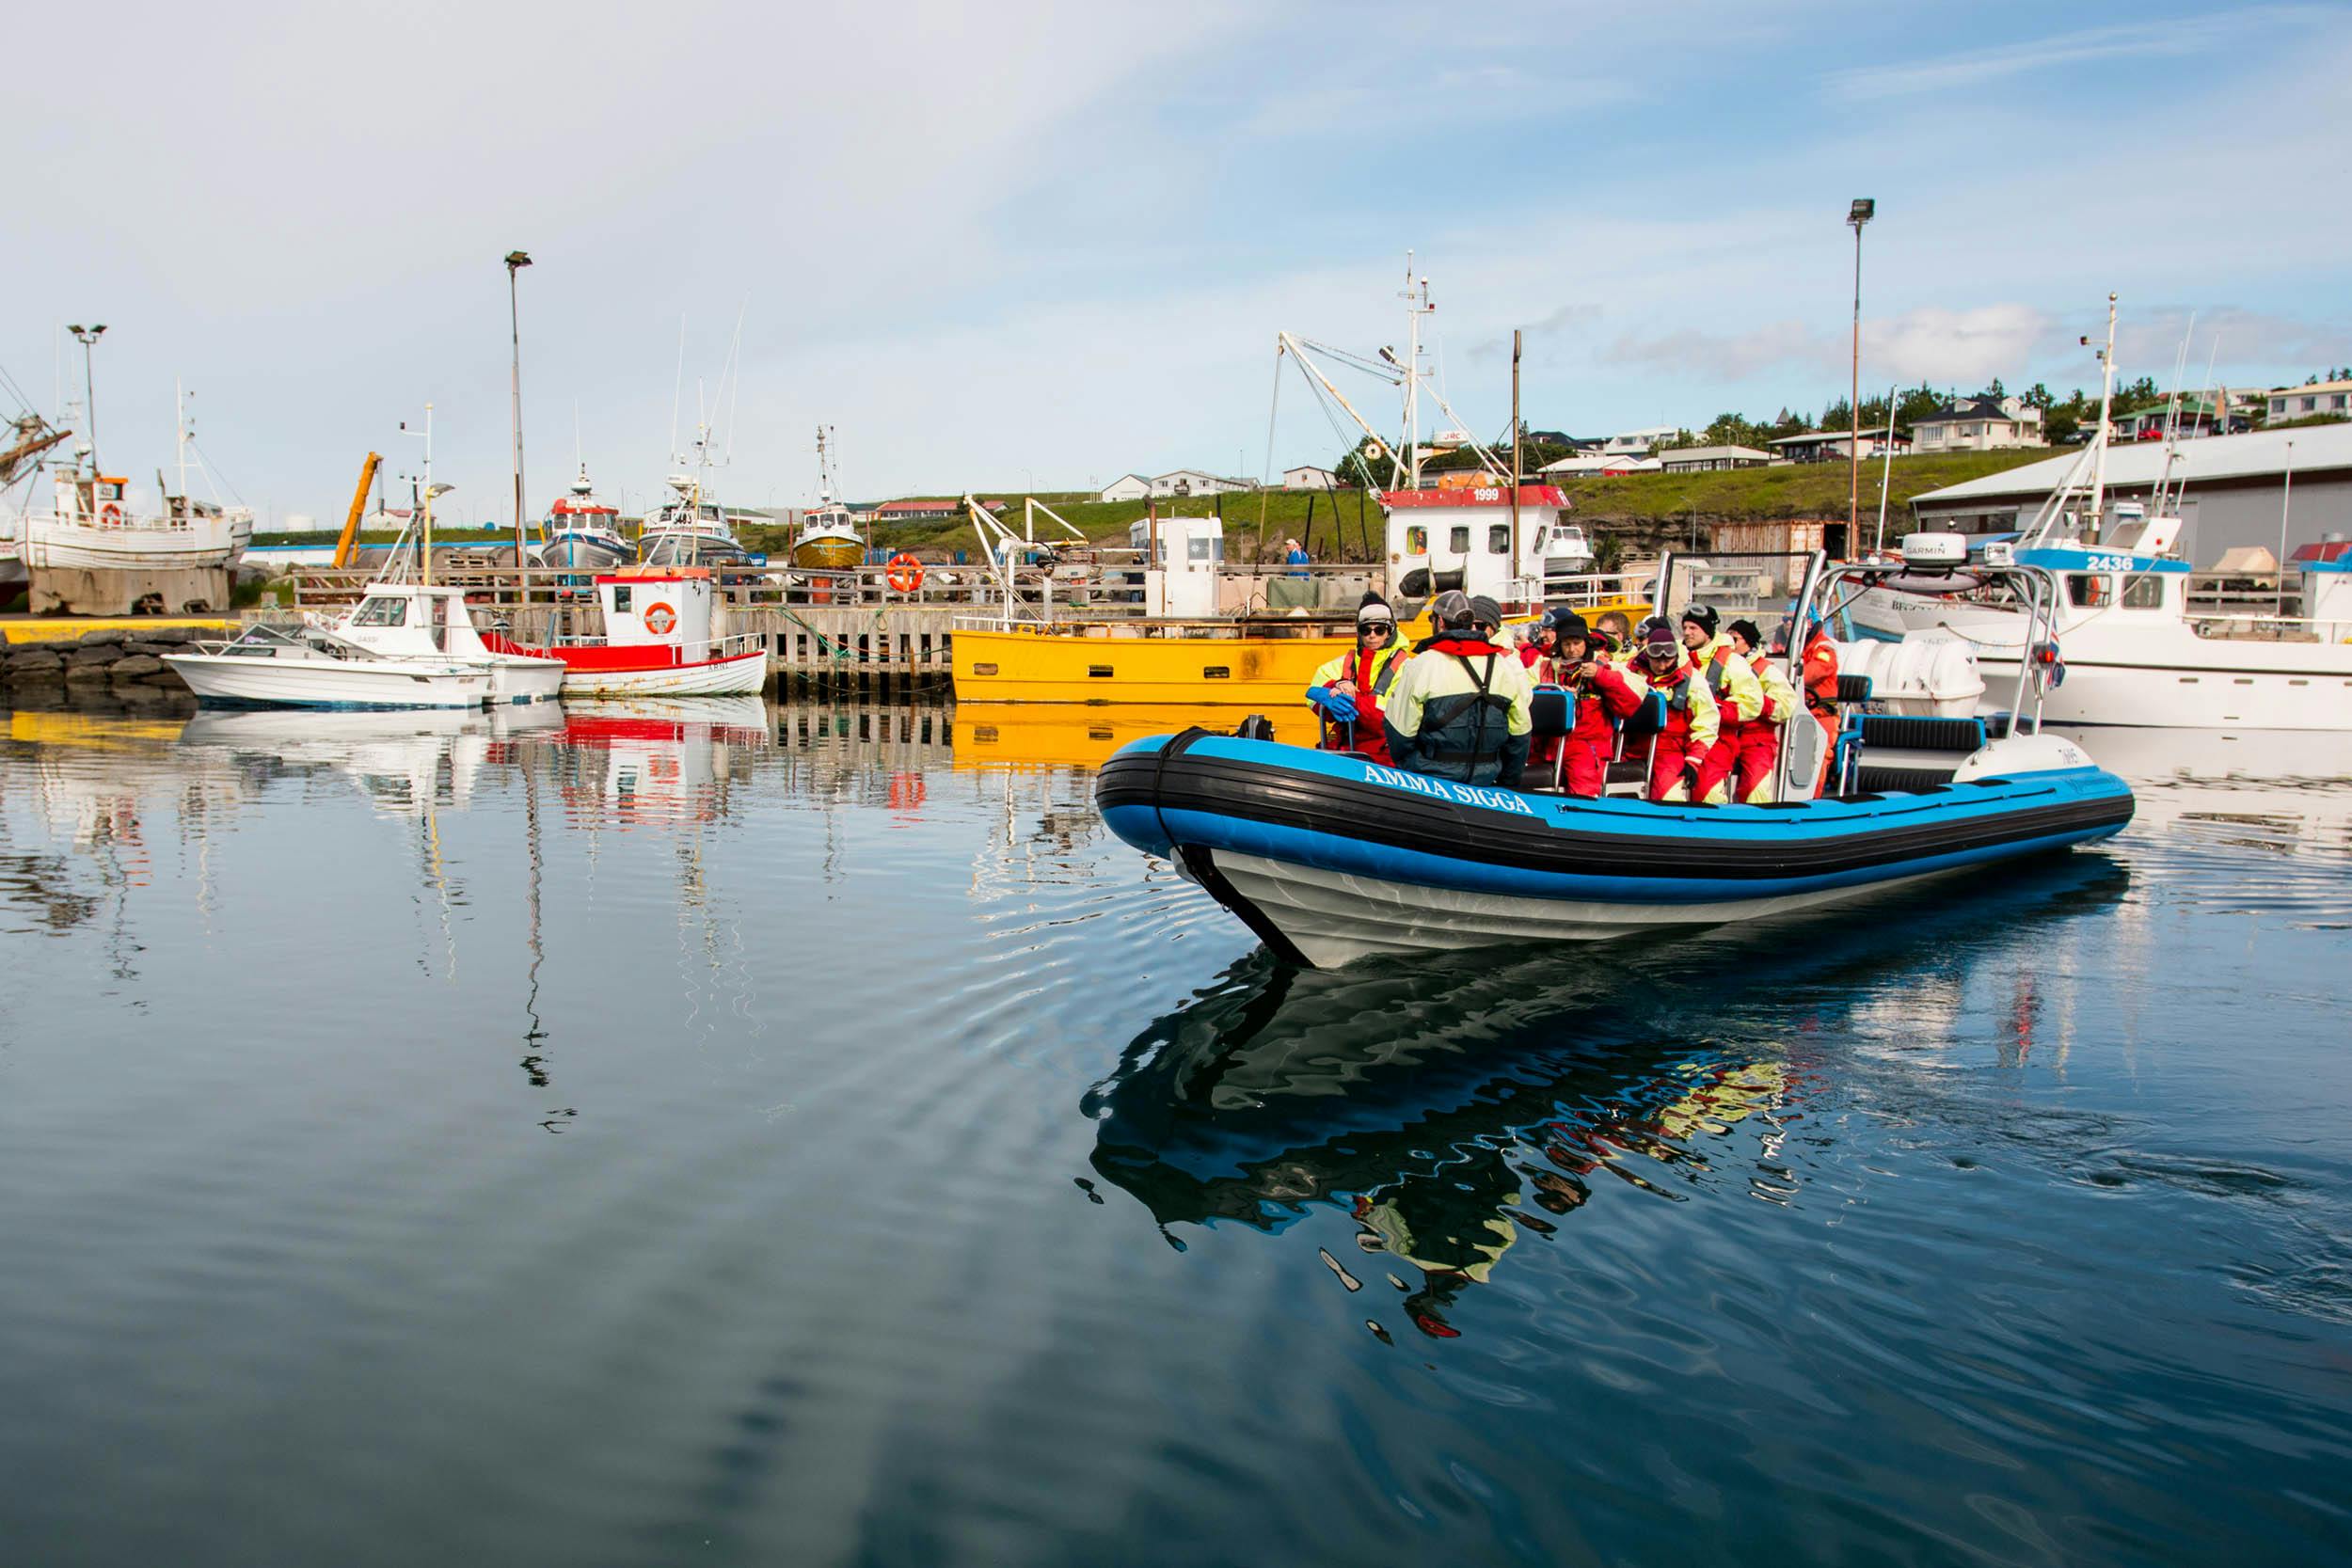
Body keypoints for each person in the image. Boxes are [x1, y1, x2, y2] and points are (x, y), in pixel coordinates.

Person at [1383, 589, 1534, 786]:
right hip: (1487, 781)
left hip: (1431, 779)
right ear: (1472, 623)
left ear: (1440, 622)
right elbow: (1520, 735)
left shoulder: (1422, 665)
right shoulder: (1504, 665)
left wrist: (1412, 771)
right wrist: (1507, 785)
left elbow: (1399, 734)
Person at [1536, 608, 1651, 798]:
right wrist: (1555, 696)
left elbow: (1630, 704)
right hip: (1548, 746)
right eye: (1566, 644)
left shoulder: (1606, 666)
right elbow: (1524, 694)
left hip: (1588, 747)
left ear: (1586, 643)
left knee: (1584, 791)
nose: (1572, 649)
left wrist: (1600, 676)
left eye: (1576, 643)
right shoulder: (1544, 667)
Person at [1304, 592, 1410, 763]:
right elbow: (1314, 693)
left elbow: (1392, 717)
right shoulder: (1345, 661)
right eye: (1366, 630)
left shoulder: (1406, 667)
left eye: (1379, 629)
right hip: (1345, 752)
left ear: (1390, 631)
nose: (1372, 635)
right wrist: (1333, 688)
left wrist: (1353, 699)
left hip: (1384, 758)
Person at [1679, 603, 1763, 802]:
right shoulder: (1679, 656)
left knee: (1706, 792)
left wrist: (1715, 710)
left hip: (1717, 741)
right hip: (1679, 736)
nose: (1687, 633)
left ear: (1708, 632)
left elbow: (1752, 704)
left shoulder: (1733, 662)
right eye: (1685, 628)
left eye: (1693, 628)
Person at [1633, 618, 1720, 803]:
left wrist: (1693, 761)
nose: (1662, 665)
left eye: (1667, 659)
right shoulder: (1633, 673)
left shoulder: (1692, 681)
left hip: (1670, 752)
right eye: (1657, 659)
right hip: (1633, 746)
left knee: (1669, 797)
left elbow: (1707, 723)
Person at [1727, 618, 1796, 802]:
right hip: (1725, 735)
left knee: (1754, 788)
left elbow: (1785, 705)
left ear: (1748, 642)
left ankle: (1752, 824)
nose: (1728, 643)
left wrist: (1757, 702)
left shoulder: (1766, 670)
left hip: (1756, 740)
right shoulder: (1722, 666)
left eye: (1734, 638)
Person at [1796, 614, 1841, 794]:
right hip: (1798, 711)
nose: (1788, 624)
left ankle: (1813, 799)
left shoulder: (1823, 648)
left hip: (1822, 716)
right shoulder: (1794, 646)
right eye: (1785, 620)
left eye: (1793, 620)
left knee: (1817, 758)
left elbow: (1811, 673)